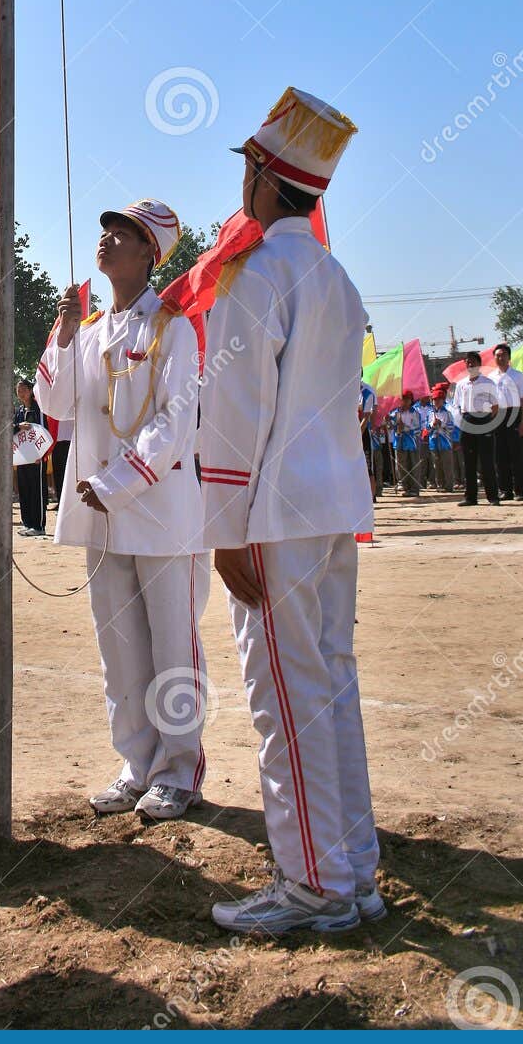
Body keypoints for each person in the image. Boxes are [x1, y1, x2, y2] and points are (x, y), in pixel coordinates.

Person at [199, 87, 380, 936]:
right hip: (331, 505)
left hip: (272, 513)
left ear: (265, 180)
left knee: (285, 702)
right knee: (330, 688)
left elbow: (236, 412)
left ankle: (313, 883)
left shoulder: (256, 274)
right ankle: (351, 869)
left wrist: (222, 528)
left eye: (247, 167)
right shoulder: (336, 276)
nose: (241, 181)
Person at [36, 198, 208, 825]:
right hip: (102, 515)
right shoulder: (87, 331)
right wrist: (61, 335)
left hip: (158, 512)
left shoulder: (172, 328)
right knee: (120, 648)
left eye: (123, 233)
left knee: (172, 648)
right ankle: (137, 764)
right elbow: (55, 401)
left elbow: (174, 423)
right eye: (106, 230)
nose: (107, 239)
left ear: (148, 254)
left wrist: (114, 483)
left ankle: (179, 770)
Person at [453, 352, 500, 506]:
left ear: (479, 364)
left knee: (487, 461)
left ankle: (493, 497)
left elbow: (495, 406)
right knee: (469, 461)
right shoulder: (461, 384)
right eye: (468, 362)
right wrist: (461, 423)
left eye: (473, 362)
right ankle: (470, 497)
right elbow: (456, 406)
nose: (470, 364)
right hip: (467, 420)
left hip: (484, 419)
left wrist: (488, 422)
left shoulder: (488, 382)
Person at [490, 343, 523, 502]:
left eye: (503, 355)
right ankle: (505, 490)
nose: (500, 358)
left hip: (514, 414)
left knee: (516, 454)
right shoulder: (491, 377)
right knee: (500, 455)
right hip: (497, 416)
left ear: (509, 357)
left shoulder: (517, 375)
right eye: (497, 355)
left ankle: (521, 491)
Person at [14, 378, 49, 536]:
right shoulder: (19, 411)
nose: (21, 393)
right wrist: (18, 427)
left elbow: (44, 431)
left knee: (37, 490)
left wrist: (41, 454)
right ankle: (27, 523)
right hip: (22, 457)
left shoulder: (38, 409)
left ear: (30, 391)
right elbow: (10, 429)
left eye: (24, 390)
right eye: (18, 390)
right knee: (24, 489)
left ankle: (39, 526)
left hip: (36, 457)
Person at [427, 385, 456, 492]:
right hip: (434, 442)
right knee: (437, 465)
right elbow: (426, 427)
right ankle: (440, 484)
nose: (436, 402)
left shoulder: (447, 413)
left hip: (445, 442)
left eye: (439, 400)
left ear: (443, 400)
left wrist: (441, 424)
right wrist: (432, 424)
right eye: (434, 400)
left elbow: (451, 427)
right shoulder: (430, 413)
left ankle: (449, 485)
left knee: (447, 464)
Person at [392, 391, 422, 497]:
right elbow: (391, 426)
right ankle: (404, 486)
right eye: (403, 399)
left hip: (412, 443)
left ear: (410, 401)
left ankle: (414, 488)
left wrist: (405, 427)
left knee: (413, 465)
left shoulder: (415, 413)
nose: (404, 402)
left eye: (407, 400)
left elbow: (418, 429)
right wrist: (390, 423)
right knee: (401, 466)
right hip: (399, 442)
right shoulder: (396, 413)